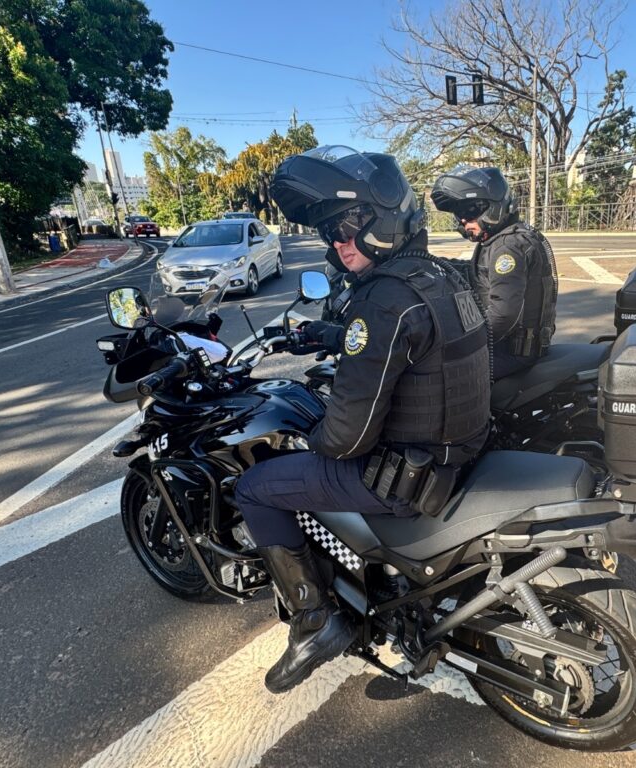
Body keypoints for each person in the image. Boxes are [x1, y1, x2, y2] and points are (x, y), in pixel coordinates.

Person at [235, 146, 492, 694]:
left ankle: (314, 621)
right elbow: (422, 346)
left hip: (400, 481)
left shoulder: (383, 300)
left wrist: (306, 435)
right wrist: (333, 336)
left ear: (383, 221)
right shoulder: (442, 276)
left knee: (256, 486)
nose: (337, 242)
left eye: (346, 227)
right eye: (330, 231)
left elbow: (345, 439)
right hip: (458, 455)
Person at [431, 165, 558, 379]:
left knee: (436, 375)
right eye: (459, 214)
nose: (463, 220)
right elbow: (478, 273)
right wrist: (432, 263)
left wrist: (462, 341)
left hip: (510, 354)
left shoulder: (508, 248)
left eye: (469, 211)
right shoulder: (505, 239)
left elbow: (503, 314)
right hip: (512, 348)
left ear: (493, 207)